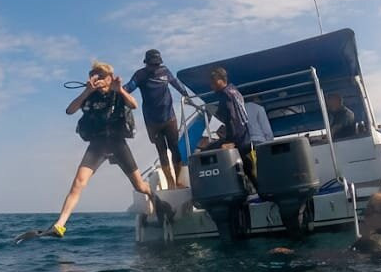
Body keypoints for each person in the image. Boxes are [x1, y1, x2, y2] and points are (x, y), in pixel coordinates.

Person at [47, 62, 172, 237]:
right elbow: (70, 110)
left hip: (117, 143)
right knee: (78, 183)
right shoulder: (90, 95)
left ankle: (156, 199)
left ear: (109, 78)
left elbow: (134, 105)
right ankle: (60, 224)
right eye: (93, 75)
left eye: (100, 76)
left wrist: (120, 89)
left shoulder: (117, 93)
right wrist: (87, 91)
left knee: (139, 186)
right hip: (97, 144)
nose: (96, 79)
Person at [125, 49, 189, 188]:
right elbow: (128, 88)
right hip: (152, 122)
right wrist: (117, 89)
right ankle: (170, 182)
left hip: (169, 118)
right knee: (162, 151)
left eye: (157, 64)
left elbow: (177, 83)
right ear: (146, 63)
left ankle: (177, 181)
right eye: (152, 64)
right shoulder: (140, 75)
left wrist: (186, 94)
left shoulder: (164, 71)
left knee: (175, 149)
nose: (155, 67)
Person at [200, 67, 257, 190]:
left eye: (213, 82)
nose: (211, 86)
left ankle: (220, 189)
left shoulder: (225, 95)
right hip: (245, 135)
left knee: (204, 153)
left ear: (220, 80)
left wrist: (230, 141)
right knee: (247, 166)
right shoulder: (234, 90)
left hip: (237, 137)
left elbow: (232, 118)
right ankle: (258, 190)